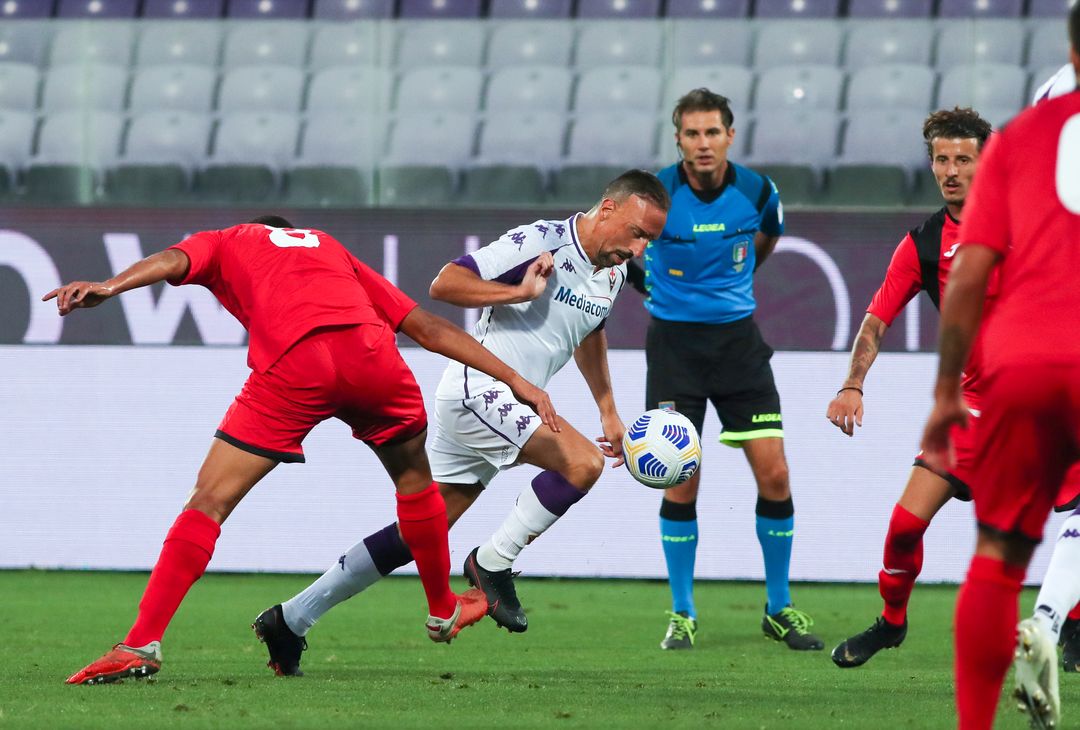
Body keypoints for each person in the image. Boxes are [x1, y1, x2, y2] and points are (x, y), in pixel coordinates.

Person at [51, 216, 558, 685]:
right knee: (414, 482)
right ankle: (442, 607)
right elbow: (425, 327)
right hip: (372, 359)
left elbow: (174, 259)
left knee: (208, 501)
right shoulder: (329, 248)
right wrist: (516, 380)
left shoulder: (231, 239)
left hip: (297, 363)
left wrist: (109, 286)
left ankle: (141, 643)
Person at [252, 171, 670, 677]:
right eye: (637, 233)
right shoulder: (540, 241)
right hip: (478, 390)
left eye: (649, 240)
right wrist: (516, 292)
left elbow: (588, 332)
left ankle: (291, 619)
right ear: (608, 209)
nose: (640, 249)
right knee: (580, 464)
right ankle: (492, 563)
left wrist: (607, 408)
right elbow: (444, 283)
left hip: (504, 404)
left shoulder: (614, 272)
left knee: (418, 532)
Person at [920, 10, 1080, 729]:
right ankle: (1049, 618)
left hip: (1021, 357)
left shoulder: (1017, 139)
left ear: (1070, 50)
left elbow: (969, 270)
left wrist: (948, 387)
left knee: (997, 554)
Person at [626, 88, 822, 651]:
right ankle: (683, 613)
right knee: (680, 480)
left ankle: (779, 607)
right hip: (674, 350)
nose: (703, 143)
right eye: (692, 133)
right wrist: (658, 289)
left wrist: (728, 287)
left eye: (713, 132)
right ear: (678, 138)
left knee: (776, 475)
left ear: (730, 136)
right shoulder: (655, 195)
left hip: (738, 344)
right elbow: (624, 256)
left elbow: (766, 237)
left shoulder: (758, 191)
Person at [826, 108, 995, 668]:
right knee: (903, 527)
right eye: (942, 160)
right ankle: (891, 623)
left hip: (1042, 402)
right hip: (971, 408)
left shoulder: (1029, 224)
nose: (951, 171)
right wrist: (853, 385)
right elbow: (875, 321)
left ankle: (1070, 625)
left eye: (963, 159)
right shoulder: (922, 244)